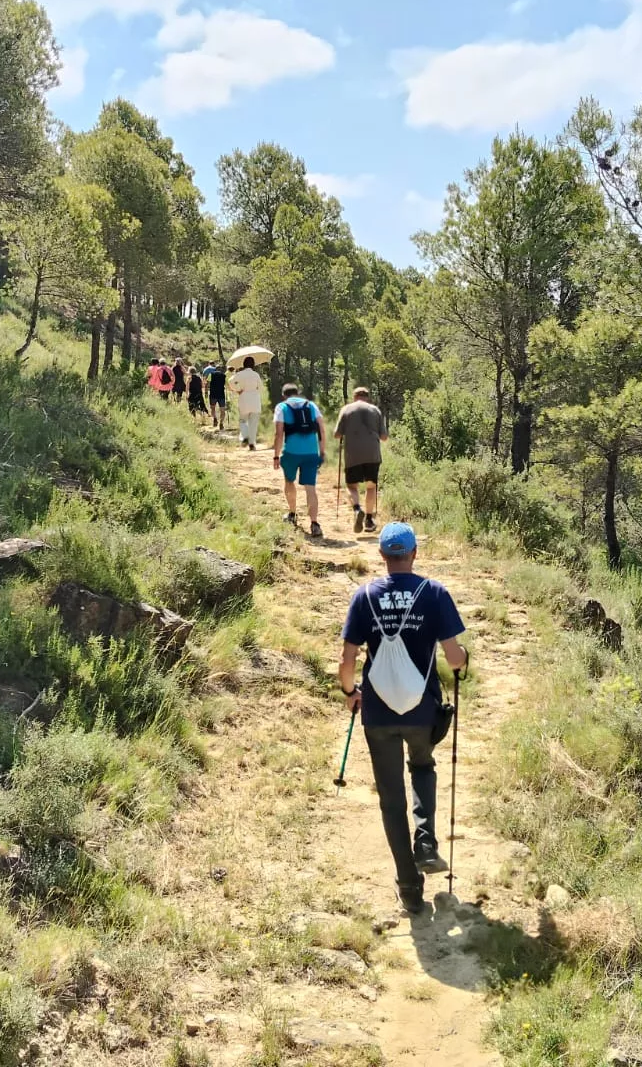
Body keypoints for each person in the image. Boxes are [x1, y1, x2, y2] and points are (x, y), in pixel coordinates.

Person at [339, 522, 469, 913]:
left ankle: (410, 889)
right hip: (421, 709)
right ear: (414, 554)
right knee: (423, 767)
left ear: (382, 556)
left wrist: (350, 693)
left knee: (391, 798)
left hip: (378, 712)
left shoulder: (364, 597)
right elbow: (455, 657)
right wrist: (463, 662)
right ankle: (426, 841)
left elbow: (346, 661)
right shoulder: (434, 594)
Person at [273, 383, 329, 538]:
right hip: (311, 452)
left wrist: (276, 455)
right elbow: (322, 430)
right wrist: (322, 451)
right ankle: (315, 523)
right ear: (298, 393)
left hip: (291, 452)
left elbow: (278, 434)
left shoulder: (281, 407)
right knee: (310, 488)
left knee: (289, 482)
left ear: (284, 395)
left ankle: (292, 514)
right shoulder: (311, 405)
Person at [335, 387, 389, 533]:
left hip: (353, 455)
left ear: (355, 397)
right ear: (367, 397)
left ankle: (357, 509)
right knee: (371, 487)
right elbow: (384, 437)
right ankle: (369, 520)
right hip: (372, 454)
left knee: (352, 486)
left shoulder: (346, 410)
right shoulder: (375, 410)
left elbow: (337, 434)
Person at [229, 356, 264, 449]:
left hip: (244, 398)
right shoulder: (256, 375)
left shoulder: (240, 374)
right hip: (255, 399)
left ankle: (245, 436)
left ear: (244, 364)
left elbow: (230, 382)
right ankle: (252, 443)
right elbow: (261, 388)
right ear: (253, 364)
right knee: (253, 423)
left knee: (243, 420)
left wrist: (238, 390)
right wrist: (255, 390)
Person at [206, 360, 228, 430]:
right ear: (221, 370)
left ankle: (215, 419)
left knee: (212, 408)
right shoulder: (224, 376)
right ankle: (221, 423)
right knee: (222, 410)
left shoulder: (211, 375)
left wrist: (206, 392)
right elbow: (227, 385)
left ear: (215, 369)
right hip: (221, 395)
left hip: (213, 394)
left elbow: (207, 384)